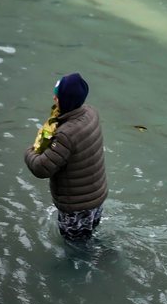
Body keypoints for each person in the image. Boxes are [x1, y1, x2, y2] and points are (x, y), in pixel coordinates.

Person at [24, 73, 108, 241]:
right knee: (90, 236)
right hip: (96, 197)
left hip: (76, 206)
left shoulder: (65, 135)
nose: (54, 98)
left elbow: (41, 168)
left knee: (76, 246)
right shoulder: (91, 113)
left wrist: (30, 151)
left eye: (57, 96)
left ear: (65, 101)